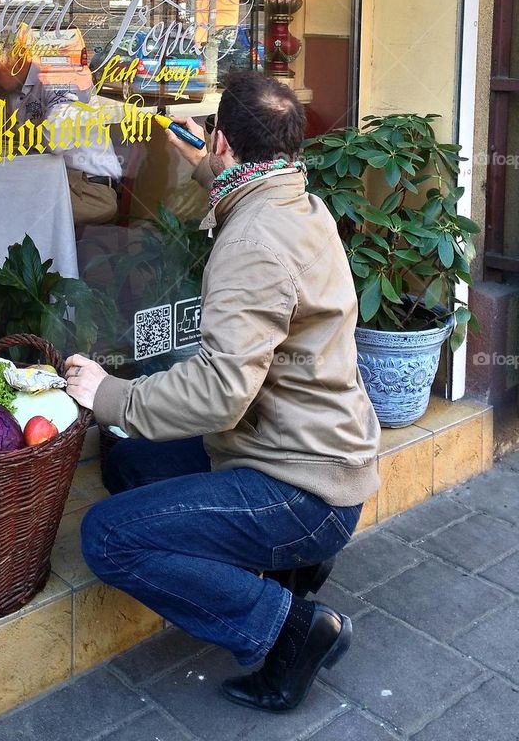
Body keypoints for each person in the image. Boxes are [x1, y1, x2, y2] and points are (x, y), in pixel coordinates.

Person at [65, 70, 381, 713]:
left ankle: (287, 626)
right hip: (310, 456)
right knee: (132, 459)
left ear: (223, 142)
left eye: (214, 137)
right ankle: (290, 571)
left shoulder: (252, 242)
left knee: (107, 537)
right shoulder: (294, 199)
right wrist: (210, 167)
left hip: (302, 488)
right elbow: (246, 191)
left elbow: (218, 394)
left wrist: (109, 395)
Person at [0, 42, 121, 225]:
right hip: (51, 181)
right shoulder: (13, 91)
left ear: (18, 60)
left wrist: (23, 137)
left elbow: (56, 142)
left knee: (8, 211)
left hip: (90, 189)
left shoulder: (58, 79)